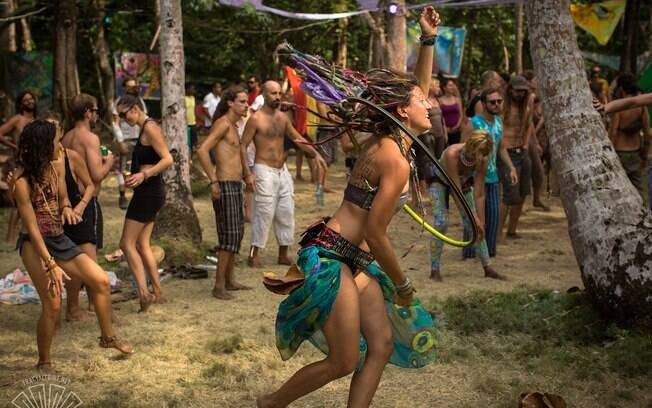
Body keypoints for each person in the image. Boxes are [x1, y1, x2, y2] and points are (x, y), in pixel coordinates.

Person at [257, 8, 440, 408]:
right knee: (343, 360)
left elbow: (414, 90)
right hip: (331, 256)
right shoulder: (392, 156)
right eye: (424, 101)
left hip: (351, 258)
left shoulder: (399, 136)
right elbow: (375, 233)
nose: (433, 104)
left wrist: (427, 39)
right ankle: (270, 404)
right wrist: (404, 286)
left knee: (381, 343)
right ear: (403, 112)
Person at [12, 120, 132, 370]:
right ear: (44, 146)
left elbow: (64, 197)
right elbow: (32, 229)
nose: (60, 144)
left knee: (100, 281)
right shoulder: (22, 184)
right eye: (56, 140)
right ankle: (43, 361)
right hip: (36, 245)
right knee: (53, 304)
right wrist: (51, 264)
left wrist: (67, 208)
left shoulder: (55, 169)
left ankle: (107, 338)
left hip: (58, 237)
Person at [241, 80, 326, 268]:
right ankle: (254, 254)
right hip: (263, 169)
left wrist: (316, 154)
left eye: (279, 93)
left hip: (282, 171)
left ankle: (283, 253)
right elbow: (243, 145)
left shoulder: (283, 118)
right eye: (273, 93)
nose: (278, 97)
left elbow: (297, 138)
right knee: (263, 212)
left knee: (286, 211)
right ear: (263, 94)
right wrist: (247, 173)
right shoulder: (255, 119)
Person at [116, 95, 173, 312]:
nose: (122, 120)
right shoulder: (144, 128)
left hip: (149, 192)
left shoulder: (150, 127)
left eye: (123, 114)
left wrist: (143, 175)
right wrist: (136, 174)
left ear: (135, 109)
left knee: (126, 244)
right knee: (142, 244)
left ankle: (143, 292)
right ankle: (157, 291)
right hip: (150, 191)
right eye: (119, 116)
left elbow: (167, 159)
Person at [61, 93, 114, 319]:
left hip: (67, 203)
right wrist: (110, 162)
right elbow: (95, 175)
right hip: (84, 203)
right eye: (95, 111)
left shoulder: (65, 137)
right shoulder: (89, 138)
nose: (96, 115)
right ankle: (103, 312)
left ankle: (76, 307)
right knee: (90, 261)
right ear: (87, 113)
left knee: (74, 258)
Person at [197, 85, 252, 300]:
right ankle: (219, 286)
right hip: (225, 184)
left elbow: (238, 154)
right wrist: (213, 181)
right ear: (230, 102)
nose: (246, 104)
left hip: (235, 184)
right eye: (242, 101)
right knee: (229, 236)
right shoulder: (222, 124)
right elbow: (202, 150)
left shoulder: (234, 126)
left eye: (247, 101)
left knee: (236, 234)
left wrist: (247, 176)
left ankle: (230, 280)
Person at [429, 130, 506, 281]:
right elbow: (456, 190)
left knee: (475, 226)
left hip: (463, 184)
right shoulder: (453, 154)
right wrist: (474, 217)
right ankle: (434, 269)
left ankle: (487, 267)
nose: (479, 158)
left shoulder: (483, 159)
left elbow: (479, 193)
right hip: (440, 182)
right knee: (441, 222)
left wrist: (480, 221)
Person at [462, 87, 518, 258]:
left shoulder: (499, 122)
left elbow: (501, 147)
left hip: (493, 176)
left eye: (499, 101)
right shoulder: (474, 123)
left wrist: (511, 167)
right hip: (473, 177)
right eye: (492, 102)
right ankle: (470, 253)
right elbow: (462, 148)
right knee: (474, 217)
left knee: (493, 217)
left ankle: (489, 252)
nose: (496, 105)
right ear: (484, 104)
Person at [498, 75, 533, 240]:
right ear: (510, 89)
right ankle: (498, 233)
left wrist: (526, 145)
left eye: (523, 91)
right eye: (518, 90)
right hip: (506, 153)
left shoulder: (525, 108)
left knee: (523, 193)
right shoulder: (502, 107)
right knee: (509, 195)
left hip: (521, 152)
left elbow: (528, 127)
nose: (520, 94)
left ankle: (512, 230)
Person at [1, 90, 37, 243]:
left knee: (32, 199)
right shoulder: (18, 119)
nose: (29, 102)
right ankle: (10, 238)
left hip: (35, 163)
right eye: (26, 100)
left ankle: (28, 234)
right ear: (21, 103)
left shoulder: (36, 120)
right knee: (18, 201)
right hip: (20, 163)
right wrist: (14, 146)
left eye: (31, 99)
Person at [608, 74, 650, 197]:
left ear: (621, 89)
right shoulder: (642, 108)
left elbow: (613, 132)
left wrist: (610, 153)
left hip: (620, 154)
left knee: (620, 191)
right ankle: (646, 214)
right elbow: (647, 134)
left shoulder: (619, 108)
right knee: (642, 191)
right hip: (636, 154)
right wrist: (645, 156)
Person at [113, 77, 148, 210]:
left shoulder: (140, 102)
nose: (132, 89)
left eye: (134, 86)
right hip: (126, 140)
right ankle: (122, 196)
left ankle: (139, 196)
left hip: (139, 139)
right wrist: (121, 141)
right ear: (125, 88)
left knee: (140, 168)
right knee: (124, 169)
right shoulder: (119, 102)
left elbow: (145, 119)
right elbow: (115, 122)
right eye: (129, 86)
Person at [439, 77, 463, 146]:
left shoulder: (457, 99)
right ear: (444, 88)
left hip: (456, 131)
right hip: (444, 131)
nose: (452, 87)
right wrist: (445, 129)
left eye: (453, 85)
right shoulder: (440, 100)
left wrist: (456, 127)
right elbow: (440, 116)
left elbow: (461, 115)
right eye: (450, 85)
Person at [185, 84, 198, 152]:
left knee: (194, 140)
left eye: (194, 89)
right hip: (185, 123)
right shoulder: (183, 98)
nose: (193, 91)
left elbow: (194, 109)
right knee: (187, 140)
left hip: (193, 122)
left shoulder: (193, 98)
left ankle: (193, 151)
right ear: (187, 89)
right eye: (192, 89)